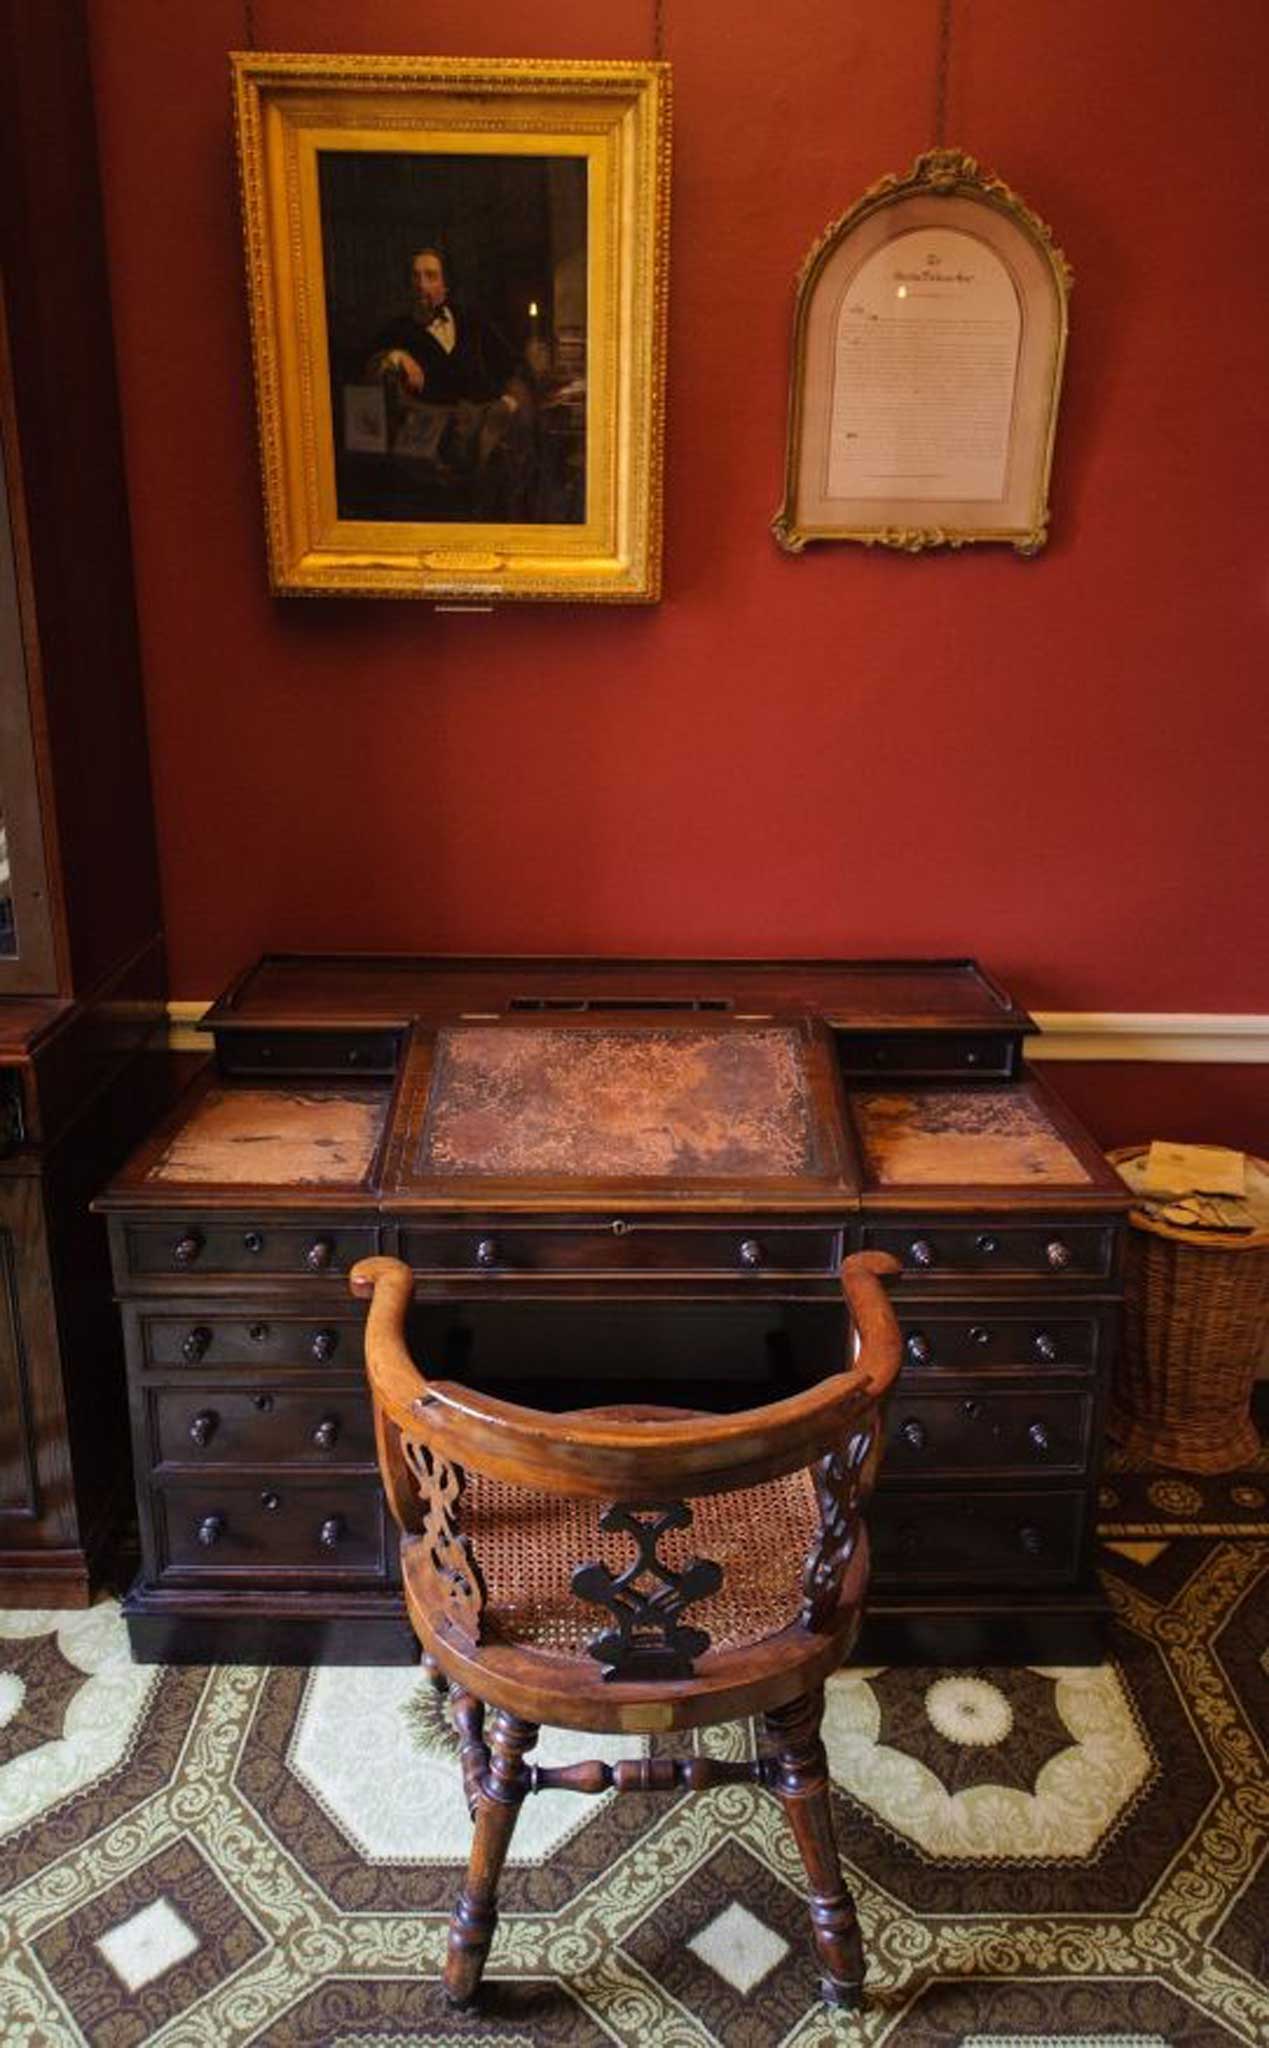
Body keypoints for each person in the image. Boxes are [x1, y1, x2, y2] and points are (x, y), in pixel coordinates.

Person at [365, 247, 531, 510]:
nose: (422, 285)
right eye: (415, 277)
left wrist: (511, 398)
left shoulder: (472, 320)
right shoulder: (396, 331)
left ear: (446, 285)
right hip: (434, 439)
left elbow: (511, 363)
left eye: (431, 276)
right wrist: (395, 356)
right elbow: (364, 364)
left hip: (485, 425)